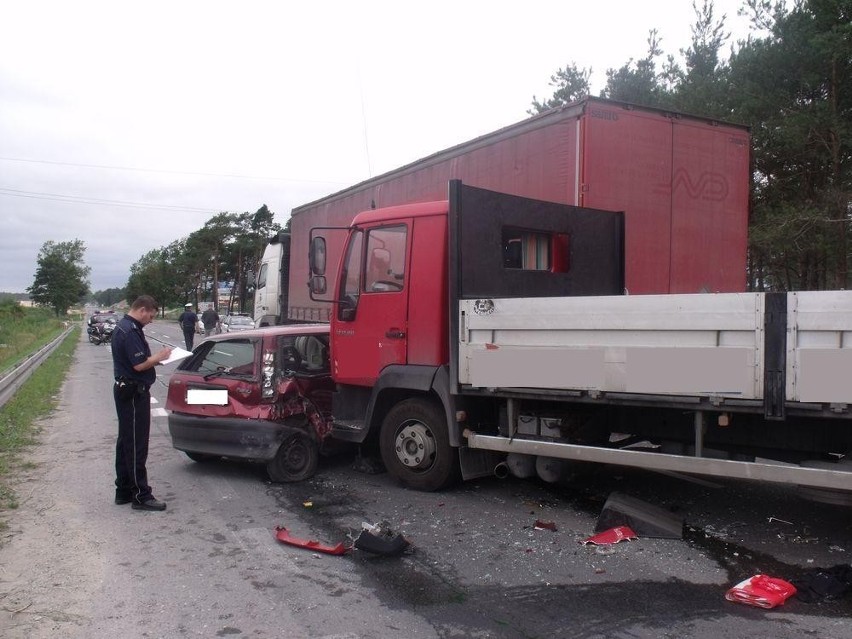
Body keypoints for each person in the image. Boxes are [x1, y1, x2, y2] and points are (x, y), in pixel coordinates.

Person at [111, 295, 173, 511]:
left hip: (126, 390)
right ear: (143, 310)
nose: (151, 320)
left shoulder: (125, 327)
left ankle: (124, 489)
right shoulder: (130, 331)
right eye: (151, 316)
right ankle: (140, 495)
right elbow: (138, 365)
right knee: (136, 444)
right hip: (133, 393)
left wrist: (155, 360)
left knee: (126, 442)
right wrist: (160, 356)